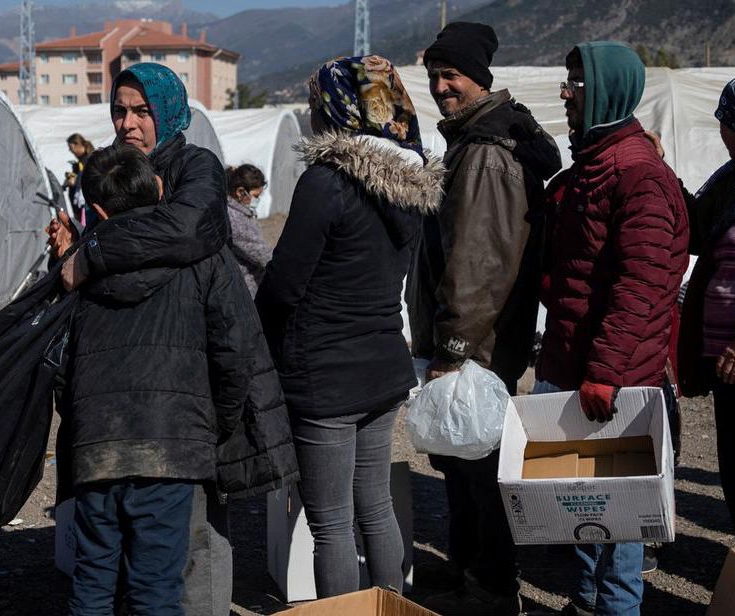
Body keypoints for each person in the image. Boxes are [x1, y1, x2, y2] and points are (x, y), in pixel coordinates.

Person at [47, 63, 296, 616]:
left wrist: (93, 251)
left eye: (142, 111)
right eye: (120, 111)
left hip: (182, 385)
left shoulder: (194, 165)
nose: (128, 123)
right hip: (159, 402)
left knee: (187, 548)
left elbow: (189, 231)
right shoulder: (118, 170)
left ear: (168, 111)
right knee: (151, 569)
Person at [256, 54, 443, 598]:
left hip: (326, 376)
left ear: (340, 108)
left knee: (332, 524)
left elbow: (286, 284)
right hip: (383, 364)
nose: (314, 115)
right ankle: (391, 607)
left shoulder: (327, 181)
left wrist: (256, 343)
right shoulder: (410, 186)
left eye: (318, 105)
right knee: (377, 507)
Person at [407, 22, 561, 615]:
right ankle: (469, 571)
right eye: (435, 76)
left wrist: (453, 346)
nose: (442, 86)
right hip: (479, 338)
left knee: (481, 472)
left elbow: (479, 262)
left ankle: (493, 586)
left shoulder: (485, 153)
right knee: (460, 462)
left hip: (478, 341)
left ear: (480, 78)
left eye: (452, 75)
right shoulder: (474, 141)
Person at [64, 143, 256, 615]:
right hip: (171, 445)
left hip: (97, 444)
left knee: (91, 586)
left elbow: (61, 362)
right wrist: (217, 425)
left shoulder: (79, 265)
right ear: (160, 188)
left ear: (98, 211)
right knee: (156, 591)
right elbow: (234, 351)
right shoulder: (201, 258)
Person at [535, 42, 688, 616]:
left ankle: (617, 609)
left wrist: (604, 372)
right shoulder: (594, 165)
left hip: (615, 380)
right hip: (576, 364)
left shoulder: (639, 175)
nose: (565, 92)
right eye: (566, 80)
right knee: (579, 499)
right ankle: (585, 601)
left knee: (617, 510)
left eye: (576, 82)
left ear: (607, 92)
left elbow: (644, 288)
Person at [677, 72, 735, 548]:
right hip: (730, 366)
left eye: (727, 122)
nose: (721, 132)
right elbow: (694, 230)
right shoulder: (733, 183)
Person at [225, 164, 272, 296]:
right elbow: (262, 254)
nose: (258, 200)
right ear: (240, 192)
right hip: (244, 289)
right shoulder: (235, 220)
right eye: (256, 196)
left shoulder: (240, 212)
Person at [65, 133, 96, 226]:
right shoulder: (81, 161)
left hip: (86, 204)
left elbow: (88, 177)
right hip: (81, 206)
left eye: (71, 147)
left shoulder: (88, 159)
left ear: (77, 144)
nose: (70, 150)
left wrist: (75, 180)